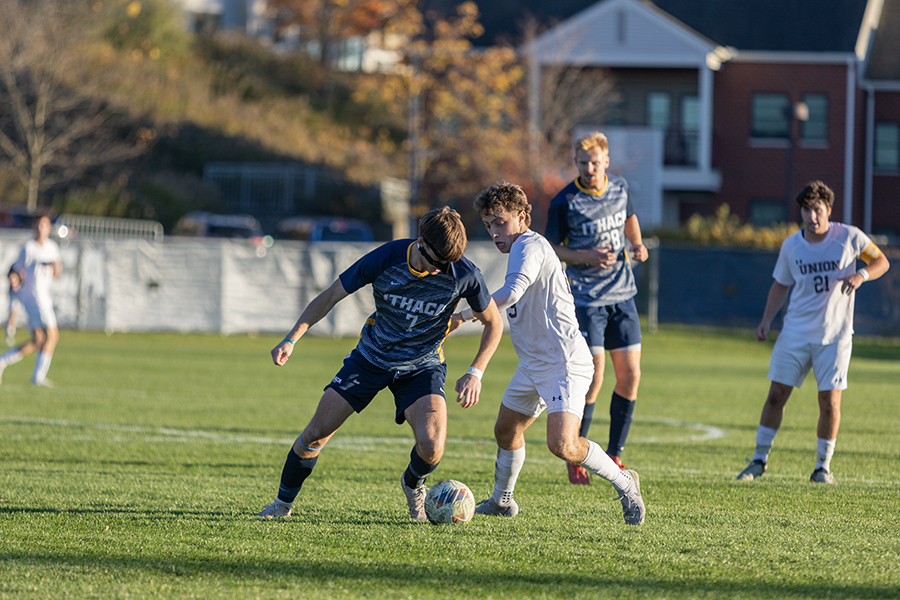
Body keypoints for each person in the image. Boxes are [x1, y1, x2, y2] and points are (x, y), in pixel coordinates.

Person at [257, 207, 504, 520]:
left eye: (448, 264)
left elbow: (493, 322)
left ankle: (413, 484)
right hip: (371, 358)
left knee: (432, 447)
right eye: (437, 262)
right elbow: (331, 295)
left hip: (422, 365)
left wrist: (475, 372)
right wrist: (292, 339)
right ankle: (281, 505)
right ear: (421, 242)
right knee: (316, 434)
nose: (443, 270)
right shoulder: (386, 257)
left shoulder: (463, 273)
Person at [451, 182, 645, 525]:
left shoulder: (530, 245)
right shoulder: (523, 248)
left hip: (564, 364)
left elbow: (511, 292)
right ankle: (502, 501)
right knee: (506, 431)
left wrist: (464, 316)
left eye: (500, 222)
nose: (495, 231)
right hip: (533, 365)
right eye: (488, 225)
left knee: (564, 446)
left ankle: (625, 482)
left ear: (522, 217)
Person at [737, 181, 890, 484]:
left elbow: (881, 262)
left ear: (828, 210)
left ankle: (823, 467)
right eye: (806, 210)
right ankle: (758, 460)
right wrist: (766, 321)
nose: (812, 216)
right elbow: (781, 285)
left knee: (829, 402)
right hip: (795, 333)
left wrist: (861, 274)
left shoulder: (849, 236)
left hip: (835, 337)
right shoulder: (792, 245)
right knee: (776, 395)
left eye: (817, 209)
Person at [545, 131, 648, 484]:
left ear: (606, 161)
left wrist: (636, 244)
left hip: (622, 295)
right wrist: (584, 256)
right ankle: (575, 453)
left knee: (630, 376)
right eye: (583, 162)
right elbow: (552, 248)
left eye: (595, 162)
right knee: (594, 377)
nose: (590, 168)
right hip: (587, 300)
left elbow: (629, 218)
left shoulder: (619, 188)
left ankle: (615, 453)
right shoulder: (565, 201)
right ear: (576, 163)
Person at [0, 215, 62, 386]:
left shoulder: (52, 247)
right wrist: (14, 279)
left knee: (39, 340)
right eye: (39, 224)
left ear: (49, 228)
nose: (42, 228)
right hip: (33, 296)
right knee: (52, 335)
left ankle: (3, 361)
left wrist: (56, 267)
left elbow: (57, 274)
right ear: (35, 227)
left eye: (45, 225)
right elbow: (14, 270)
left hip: (45, 296)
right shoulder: (29, 248)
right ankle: (38, 377)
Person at [6, 267, 22, 346]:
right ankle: (9, 333)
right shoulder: (14, 268)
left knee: (16, 314)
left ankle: (11, 332)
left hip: (19, 292)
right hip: (14, 293)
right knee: (13, 312)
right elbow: (12, 279)